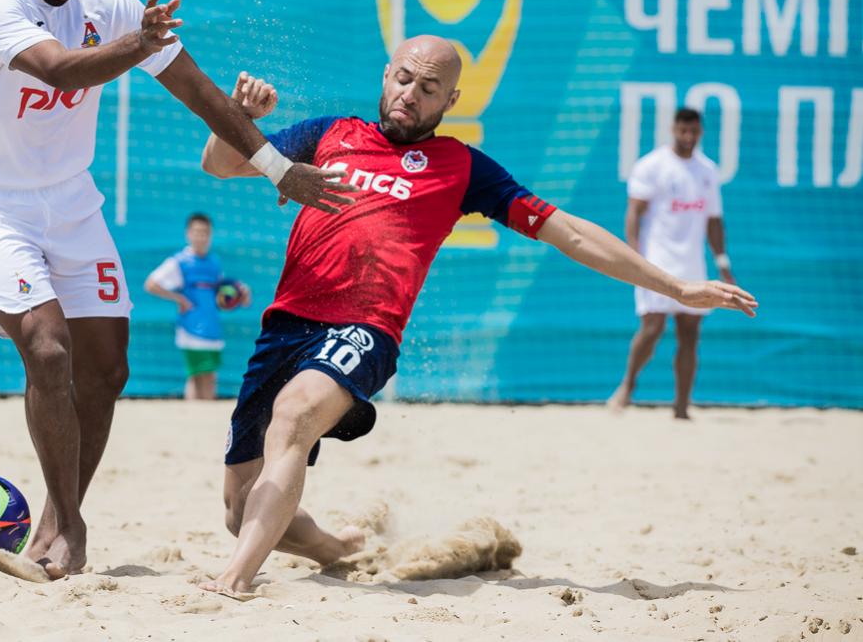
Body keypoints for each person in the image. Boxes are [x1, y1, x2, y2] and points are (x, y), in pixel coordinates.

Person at [196, 36, 757, 599]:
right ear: (386, 75)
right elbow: (220, 164)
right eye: (404, 79)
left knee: (293, 415)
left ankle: (235, 580)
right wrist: (239, 118)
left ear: (451, 100)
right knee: (238, 509)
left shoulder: (462, 167)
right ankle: (337, 548)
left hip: (364, 329)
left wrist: (676, 286)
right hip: (285, 325)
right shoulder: (330, 133)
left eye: (429, 88)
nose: (410, 94)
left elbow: (571, 233)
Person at [0, 0, 352, 581]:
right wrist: (136, 44)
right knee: (47, 346)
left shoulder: (113, 3)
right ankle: (71, 529)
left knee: (107, 369)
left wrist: (278, 167)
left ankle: (53, 525)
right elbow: (61, 71)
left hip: (70, 200)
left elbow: (199, 92)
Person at [607, 108, 734, 419]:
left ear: (701, 132)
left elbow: (714, 221)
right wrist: (634, 256)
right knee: (652, 326)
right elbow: (634, 212)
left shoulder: (707, 170)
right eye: (683, 131)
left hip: (691, 264)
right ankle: (628, 386)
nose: (688, 137)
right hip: (657, 261)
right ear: (673, 129)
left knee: (690, 333)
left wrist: (722, 262)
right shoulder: (652, 165)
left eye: (694, 131)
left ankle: (681, 407)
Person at [145, 212, 251, 400]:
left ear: (210, 235)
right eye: (197, 232)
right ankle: (193, 414)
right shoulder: (180, 262)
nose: (201, 237)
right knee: (197, 376)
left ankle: (202, 416)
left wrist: (240, 294)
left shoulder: (213, 262)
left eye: (205, 232)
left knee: (210, 376)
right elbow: (151, 284)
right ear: (188, 234)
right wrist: (180, 299)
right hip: (191, 328)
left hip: (212, 328)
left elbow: (221, 295)